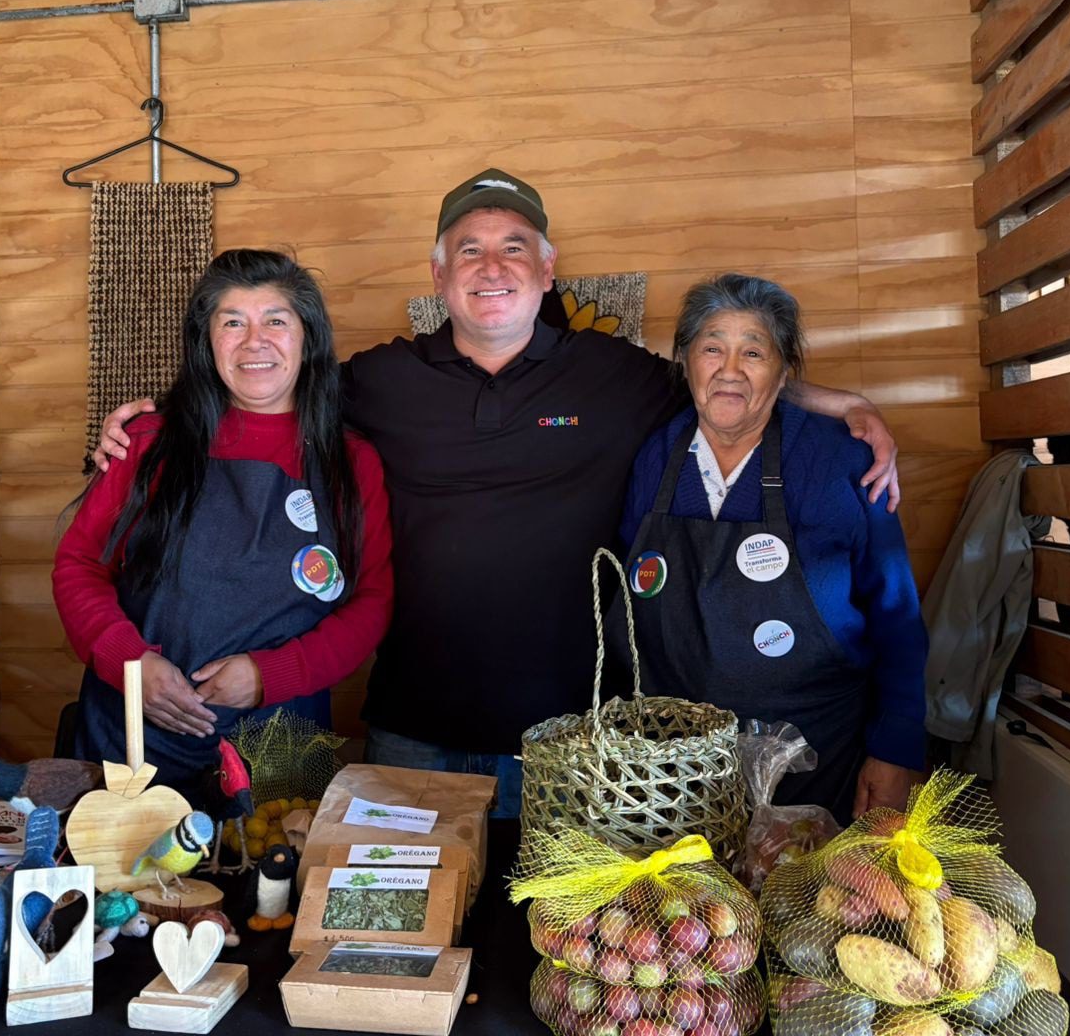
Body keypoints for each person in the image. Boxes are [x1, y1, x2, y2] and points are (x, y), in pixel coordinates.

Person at [92, 171, 901, 816]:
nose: (491, 266)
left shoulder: (614, 375)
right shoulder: (377, 381)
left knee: (542, 941)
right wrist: (151, 423)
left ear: (547, 270)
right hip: (410, 733)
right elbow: (256, 385)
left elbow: (725, 378)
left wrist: (846, 405)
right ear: (439, 274)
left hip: (569, 740)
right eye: (469, 249)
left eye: (514, 247)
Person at [54, 249, 393, 788]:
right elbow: (79, 566)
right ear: (206, 342)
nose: (254, 341)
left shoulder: (352, 462)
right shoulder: (147, 442)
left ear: (308, 338)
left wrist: (270, 675)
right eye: (232, 322)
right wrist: (130, 664)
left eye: (276, 321)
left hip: (283, 744)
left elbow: (371, 601)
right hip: (134, 734)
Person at [617, 274, 926, 821]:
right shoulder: (655, 457)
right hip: (675, 764)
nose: (730, 369)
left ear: (784, 373)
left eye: (754, 352)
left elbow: (896, 614)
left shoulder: (842, 461)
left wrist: (895, 748)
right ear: (686, 361)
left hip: (820, 754)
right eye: (712, 348)